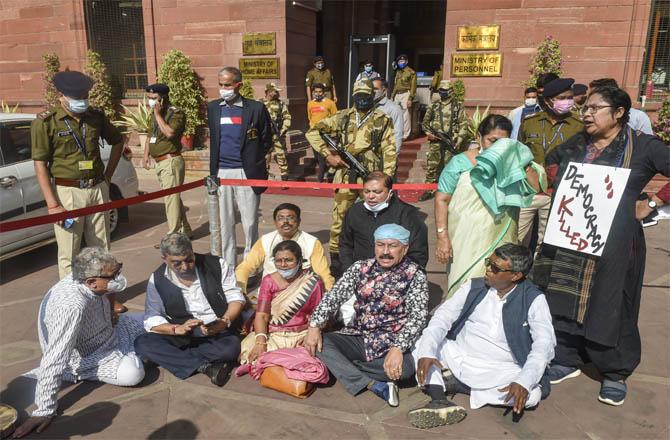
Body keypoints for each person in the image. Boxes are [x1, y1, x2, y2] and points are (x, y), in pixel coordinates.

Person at [532, 86, 670, 406]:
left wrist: (652, 202)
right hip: (572, 236)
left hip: (617, 242)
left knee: (612, 303)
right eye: (586, 108)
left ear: (619, 113)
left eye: (596, 108)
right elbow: (552, 163)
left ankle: (614, 371)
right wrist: (560, 183)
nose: (587, 113)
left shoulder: (643, 146)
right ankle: (566, 358)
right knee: (564, 294)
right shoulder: (580, 141)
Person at [409, 244, 555, 429]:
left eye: (495, 268)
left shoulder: (534, 299)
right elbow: (442, 318)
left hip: (502, 369)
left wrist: (524, 381)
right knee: (423, 343)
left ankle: (452, 383)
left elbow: (544, 345)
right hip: (460, 356)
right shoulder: (473, 286)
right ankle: (439, 400)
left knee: (532, 395)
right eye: (489, 263)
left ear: (515, 275)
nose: (488, 270)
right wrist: (427, 352)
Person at [13, 248, 145, 439]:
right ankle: (133, 354)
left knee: (153, 321)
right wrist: (44, 409)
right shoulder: (70, 306)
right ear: (91, 282)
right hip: (89, 356)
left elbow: (110, 291)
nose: (119, 278)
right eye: (113, 276)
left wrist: (110, 311)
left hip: (111, 331)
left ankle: (136, 350)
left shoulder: (91, 280)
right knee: (133, 373)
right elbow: (55, 357)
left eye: (119, 270)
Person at [30, 70, 127, 314]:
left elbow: (118, 140)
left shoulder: (95, 117)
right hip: (68, 192)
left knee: (102, 248)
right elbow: (40, 164)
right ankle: (70, 303)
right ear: (61, 96)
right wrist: (53, 203)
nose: (82, 100)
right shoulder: (46, 122)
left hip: (97, 188)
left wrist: (108, 177)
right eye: (77, 96)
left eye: (85, 95)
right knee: (69, 251)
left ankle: (106, 299)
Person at [304, 224, 429, 407]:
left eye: (392, 246)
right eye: (380, 245)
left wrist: (398, 349)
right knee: (321, 343)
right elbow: (333, 297)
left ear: (405, 249)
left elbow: (417, 318)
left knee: (406, 371)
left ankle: (346, 368)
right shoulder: (361, 268)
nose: (385, 252)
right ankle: (374, 384)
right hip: (359, 336)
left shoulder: (415, 275)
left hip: (390, 342)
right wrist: (314, 325)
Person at [435, 115, 543, 298]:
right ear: (479, 137)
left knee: (498, 288)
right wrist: (442, 236)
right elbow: (441, 199)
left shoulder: (515, 163)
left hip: (500, 238)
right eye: (492, 141)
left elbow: (536, 188)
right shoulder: (460, 163)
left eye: (502, 142)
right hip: (464, 238)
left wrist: (522, 165)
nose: (496, 147)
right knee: (463, 289)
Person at [305, 79, 396, 273]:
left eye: (366, 95)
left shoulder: (382, 118)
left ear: (373, 95)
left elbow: (389, 149)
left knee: (376, 216)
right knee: (340, 218)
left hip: (370, 177)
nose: (363, 99)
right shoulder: (343, 116)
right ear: (354, 96)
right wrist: (328, 155)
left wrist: (386, 179)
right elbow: (313, 132)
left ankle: (375, 259)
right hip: (345, 176)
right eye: (359, 96)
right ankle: (337, 262)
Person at [134, 233, 245, 387]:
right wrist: (176, 329)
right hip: (183, 335)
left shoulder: (216, 264)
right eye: (177, 263)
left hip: (218, 330)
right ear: (164, 259)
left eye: (189, 260)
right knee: (143, 342)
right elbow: (152, 316)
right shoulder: (157, 279)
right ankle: (205, 367)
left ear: (193, 252)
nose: (185, 267)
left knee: (231, 348)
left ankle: (171, 357)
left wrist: (225, 321)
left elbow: (235, 297)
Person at [207, 66, 273, 267]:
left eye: (227, 85)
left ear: (239, 85)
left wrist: (254, 160)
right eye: (220, 84)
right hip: (221, 173)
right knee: (225, 224)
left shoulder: (255, 108)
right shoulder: (213, 108)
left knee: (250, 223)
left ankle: (250, 267)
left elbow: (266, 139)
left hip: (247, 172)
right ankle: (227, 266)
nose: (223, 88)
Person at [518, 77, 583, 254]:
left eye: (569, 97)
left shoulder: (579, 126)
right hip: (529, 191)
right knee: (516, 237)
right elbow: (520, 152)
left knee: (547, 242)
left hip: (558, 192)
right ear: (548, 100)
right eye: (562, 98)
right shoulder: (530, 122)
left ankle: (539, 277)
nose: (567, 102)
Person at [239, 240, 325, 364]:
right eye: (278, 261)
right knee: (250, 351)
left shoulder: (313, 282)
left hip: (302, 335)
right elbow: (262, 315)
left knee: (315, 354)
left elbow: (318, 316)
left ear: (300, 261)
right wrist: (261, 342)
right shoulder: (268, 281)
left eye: (289, 260)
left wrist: (311, 334)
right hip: (273, 335)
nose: (283, 265)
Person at [235, 203, 334, 299]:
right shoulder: (265, 240)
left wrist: (328, 299)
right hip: (266, 296)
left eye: (291, 218)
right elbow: (244, 268)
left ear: (299, 221)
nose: (285, 221)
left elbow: (324, 275)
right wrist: (241, 294)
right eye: (281, 218)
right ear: (275, 222)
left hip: (299, 299)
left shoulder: (312, 243)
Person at [340, 172, 428, 272]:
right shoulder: (354, 211)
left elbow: (418, 252)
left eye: (377, 192)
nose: (371, 196)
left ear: (390, 193)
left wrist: (403, 277)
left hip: (397, 277)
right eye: (367, 191)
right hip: (360, 275)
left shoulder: (408, 214)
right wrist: (350, 271)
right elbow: (345, 245)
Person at [142, 83, 191, 240]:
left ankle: (173, 236)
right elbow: (150, 136)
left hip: (171, 161)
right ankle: (185, 230)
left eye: (154, 98)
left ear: (163, 98)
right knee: (173, 199)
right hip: (159, 162)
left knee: (171, 199)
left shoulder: (176, 113)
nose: (151, 101)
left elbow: (169, 133)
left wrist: (158, 115)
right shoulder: (153, 114)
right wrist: (145, 156)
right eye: (149, 98)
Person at [418, 80, 468, 202]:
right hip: (435, 142)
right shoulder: (434, 105)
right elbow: (424, 123)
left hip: (451, 141)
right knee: (432, 167)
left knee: (450, 168)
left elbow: (463, 124)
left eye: (445, 90)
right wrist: (429, 134)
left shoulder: (457, 106)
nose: (442, 93)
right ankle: (428, 190)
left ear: (451, 91)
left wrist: (459, 140)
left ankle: (449, 191)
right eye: (441, 90)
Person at [589, 78, 653, 135]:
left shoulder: (638, 116)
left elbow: (647, 144)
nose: (590, 99)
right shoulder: (588, 115)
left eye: (595, 95)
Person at [510, 72, 558, 140]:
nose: (544, 97)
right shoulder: (528, 119)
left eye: (547, 93)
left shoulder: (573, 122)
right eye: (540, 93)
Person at [306, 83, 338, 182]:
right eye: (316, 92)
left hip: (325, 134)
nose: (318, 93)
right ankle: (327, 171)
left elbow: (335, 118)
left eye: (320, 92)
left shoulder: (330, 103)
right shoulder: (310, 103)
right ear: (313, 92)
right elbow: (309, 117)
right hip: (314, 134)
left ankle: (320, 179)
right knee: (318, 156)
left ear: (324, 93)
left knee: (321, 156)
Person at [261, 83, 292, 181]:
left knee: (281, 155)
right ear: (269, 92)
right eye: (275, 91)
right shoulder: (260, 103)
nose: (277, 93)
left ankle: (284, 176)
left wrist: (283, 129)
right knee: (265, 155)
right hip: (264, 134)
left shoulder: (280, 103)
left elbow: (287, 117)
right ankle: (264, 174)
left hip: (277, 133)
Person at [372, 78, 404, 153]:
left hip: (385, 154)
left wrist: (393, 156)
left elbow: (397, 134)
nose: (372, 92)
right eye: (371, 89)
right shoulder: (367, 107)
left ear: (384, 90)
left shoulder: (393, 108)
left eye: (375, 89)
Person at [391, 54, 417, 140]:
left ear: (406, 61)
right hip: (397, 95)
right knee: (396, 114)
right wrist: (392, 96)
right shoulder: (398, 72)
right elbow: (396, 85)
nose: (401, 63)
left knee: (405, 115)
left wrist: (410, 98)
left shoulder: (411, 72)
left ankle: (405, 135)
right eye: (399, 61)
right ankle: (397, 133)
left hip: (406, 93)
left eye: (402, 61)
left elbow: (413, 87)